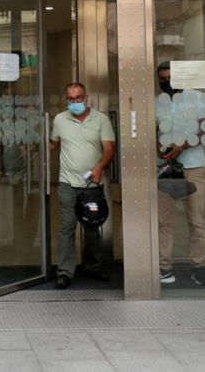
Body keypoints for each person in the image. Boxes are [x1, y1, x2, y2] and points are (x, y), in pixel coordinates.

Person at [49, 82, 116, 289]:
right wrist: (32, 145)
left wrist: (99, 168)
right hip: (67, 183)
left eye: (78, 97)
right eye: (71, 99)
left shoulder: (101, 119)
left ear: (86, 98)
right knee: (67, 227)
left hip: (92, 184)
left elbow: (109, 148)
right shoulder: (60, 119)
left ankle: (93, 268)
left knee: (92, 227)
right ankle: (64, 272)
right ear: (66, 100)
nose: (75, 102)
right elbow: (53, 143)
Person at [155, 61, 205, 286]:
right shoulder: (156, 102)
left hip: (194, 168)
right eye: (162, 78)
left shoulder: (198, 98)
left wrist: (183, 145)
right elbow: (149, 132)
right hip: (165, 169)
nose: (166, 81)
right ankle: (164, 267)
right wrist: (158, 147)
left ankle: (199, 266)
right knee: (164, 222)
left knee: (197, 221)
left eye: (170, 77)